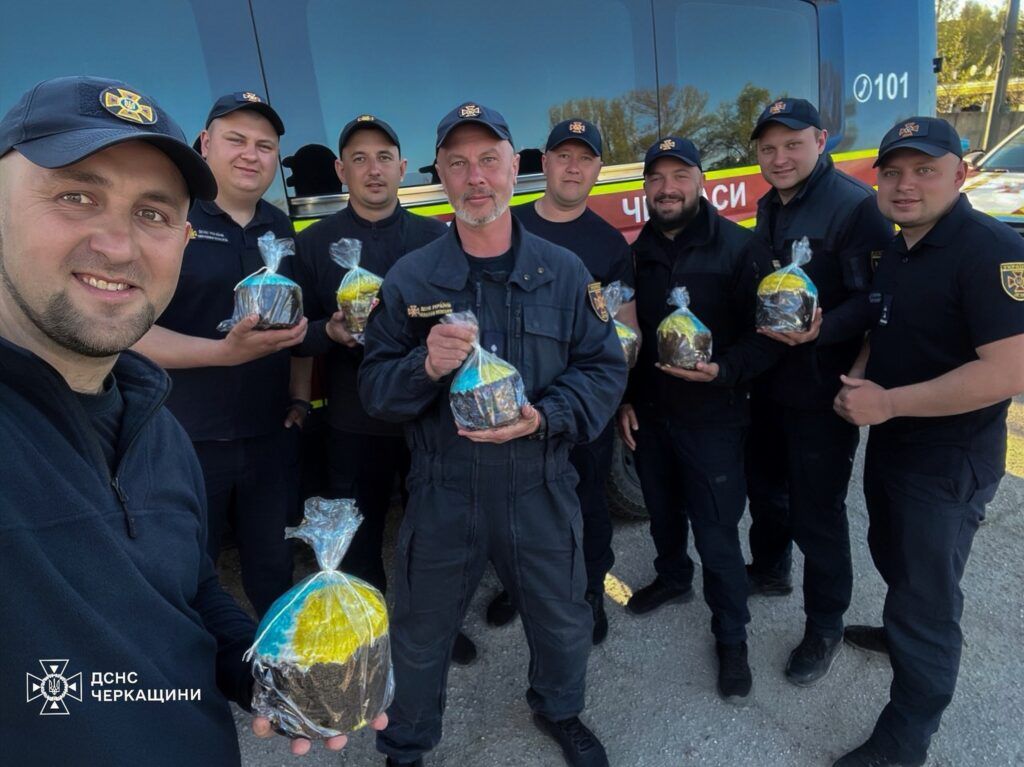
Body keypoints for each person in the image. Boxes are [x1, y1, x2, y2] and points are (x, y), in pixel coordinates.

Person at [0, 74, 380, 766]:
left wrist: (257, 676)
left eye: (151, 212)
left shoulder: (149, 422)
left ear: (178, 235)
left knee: (258, 560)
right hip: (208, 422)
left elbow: (188, 589)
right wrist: (223, 352)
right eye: (75, 196)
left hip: (257, 429)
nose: (118, 246)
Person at [359, 102, 625, 767]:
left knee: (563, 617)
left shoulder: (565, 272)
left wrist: (545, 416)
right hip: (443, 489)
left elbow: (603, 368)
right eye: (457, 163)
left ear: (514, 167)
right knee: (420, 633)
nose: (475, 177)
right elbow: (375, 391)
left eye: (488, 160)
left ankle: (559, 710)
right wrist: (424, 366)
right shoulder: (411, 279)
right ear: (440, 176)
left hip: (540, 482)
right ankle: (405, 744)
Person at [832, 117, 1024, 767]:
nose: (905, 184)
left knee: (927, 598)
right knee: (895, 556)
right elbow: (884, 327)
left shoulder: (989, 249)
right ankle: (901, 632)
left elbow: (1007, 372)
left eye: (924, 170)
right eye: (892, 172)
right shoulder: (901, 247)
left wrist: (887, 402)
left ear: (959, 173)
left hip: (949, 458)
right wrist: (863, 376)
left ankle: (906, 736)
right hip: (895, 445)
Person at [292, 114, 476, 664]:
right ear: (340, 171)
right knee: (360, 537)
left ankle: (437, 626)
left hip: (429, 415)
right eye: (359, 159)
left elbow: (465, 320)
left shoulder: (437, 237)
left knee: (435, 533)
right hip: (354, 421)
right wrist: (325, 341)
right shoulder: (313, 244)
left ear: (402, 167)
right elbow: (298, 335)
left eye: (383, 158)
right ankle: (372, 631)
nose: (373, 170)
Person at [617, 137, 781, 701]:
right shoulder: (634, 254)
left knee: (716, 533)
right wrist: (627, 399)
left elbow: (769, 338)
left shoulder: (741, 248)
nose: (668, 188)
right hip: (651, 416)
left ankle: (732, 638)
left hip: (714, 418)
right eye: (656, 178)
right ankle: (672, 577)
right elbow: (629, 337)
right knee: (662, 513)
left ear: (701, 181)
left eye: (680, 175)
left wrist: (723, 372)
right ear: (645, 187)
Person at [133, 91, 308, 618]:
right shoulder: (170, 216)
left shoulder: (279, 226)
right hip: (185, 437)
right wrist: (222, 353)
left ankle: (279, 659)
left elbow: (297, 321)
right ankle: (196, 665)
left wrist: (300, 399)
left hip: (268, 434)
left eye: (265, 145)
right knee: (190, 569)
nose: (251, 155)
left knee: (273, 565)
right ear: (205, 143)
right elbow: (129, 332)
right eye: (236, 140)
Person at [744, 98, 893, 685]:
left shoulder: (855, 207)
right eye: (768, 148)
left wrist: (821, 330)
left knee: (818, 512)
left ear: (821, 140)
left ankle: (825, 625)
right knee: (765, 489)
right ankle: (771, 570)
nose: (779, 157)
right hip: (769, 381)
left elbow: (878, 298)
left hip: (822, 388)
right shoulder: (771, 204)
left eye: (792, 144)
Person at [484, 118, 636, 644]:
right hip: (511, 403)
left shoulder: (609, 242)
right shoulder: (504, 225)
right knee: (515, 505)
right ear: (543, 163)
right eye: (563, 156)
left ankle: (590, 592)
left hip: (579, 404)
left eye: (585, 158)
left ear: (598, 169)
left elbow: (626, 326)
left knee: (587, 502)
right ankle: (518, 587)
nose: (574, 168)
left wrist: (618, 387)